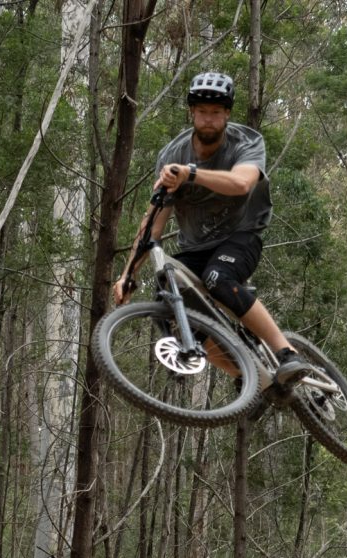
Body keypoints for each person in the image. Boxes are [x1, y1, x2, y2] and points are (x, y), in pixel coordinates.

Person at [112, 71, 309, 384]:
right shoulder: (173, 154)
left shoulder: (245, 142)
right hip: (195, 246)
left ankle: (287, 353)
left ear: (227, 114)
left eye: (216, 113)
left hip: (241, 235)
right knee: (169, 300)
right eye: (202, 112)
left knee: (217, 279)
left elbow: (242, 183)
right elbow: (152, 225)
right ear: (192, 112)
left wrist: (191, 174)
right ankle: (250, 380)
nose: (208, 119)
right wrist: (128, 275)